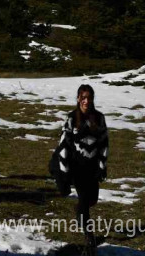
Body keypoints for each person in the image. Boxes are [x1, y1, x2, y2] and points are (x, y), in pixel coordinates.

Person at [50, 84, 109, 256]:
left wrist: (102, 166)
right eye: (83, 98)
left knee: (92, 200)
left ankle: (80, 214)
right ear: (78, 99)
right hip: (77, 167)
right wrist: (64, 171)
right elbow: (63, 145)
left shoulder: (99, 118)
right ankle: (89, 238)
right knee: (84, 201)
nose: (86, 101)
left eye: (89, 98)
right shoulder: (71, 118)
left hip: (92, 167)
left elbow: (104, 143)